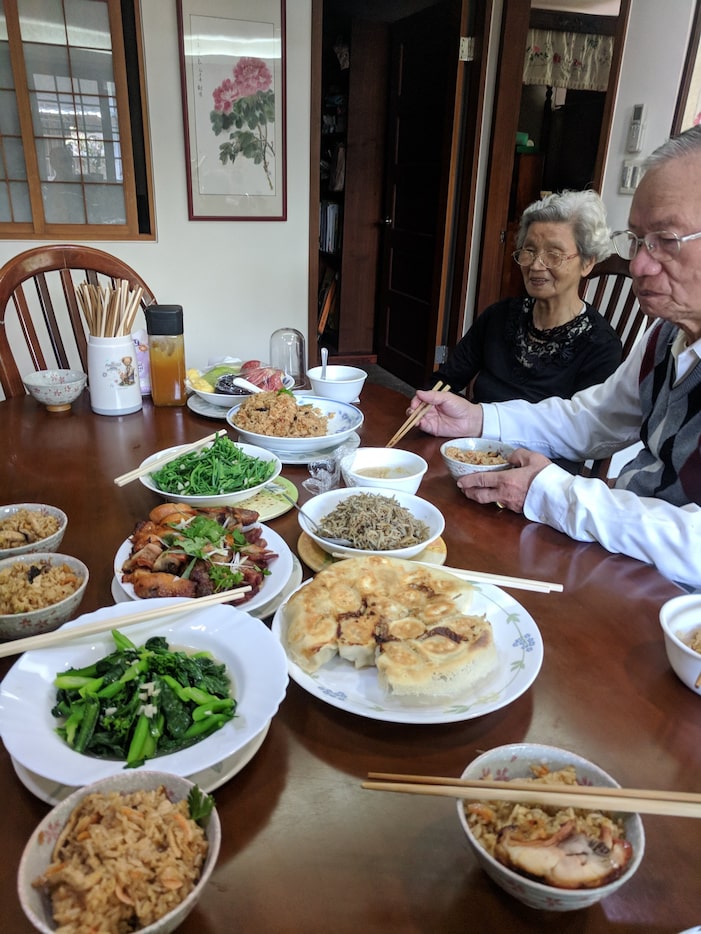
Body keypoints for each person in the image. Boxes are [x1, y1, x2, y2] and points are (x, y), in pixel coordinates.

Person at [410, 125, 701, 591]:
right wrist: (480, 419)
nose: (639, 266)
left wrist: (558, 494)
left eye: (666, 240)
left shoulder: (610, 339)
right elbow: (592, 420)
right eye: (637, 240)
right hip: (626, 563)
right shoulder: (665, 336)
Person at [431, 189, 622, 403]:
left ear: (587, 262)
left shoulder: (601, 346)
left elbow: (581, 430)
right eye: (529, 250)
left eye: (553, 254)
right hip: (472, 435)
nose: (536, 265)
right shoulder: (499, 316)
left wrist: (481, 420)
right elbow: (444, 381)